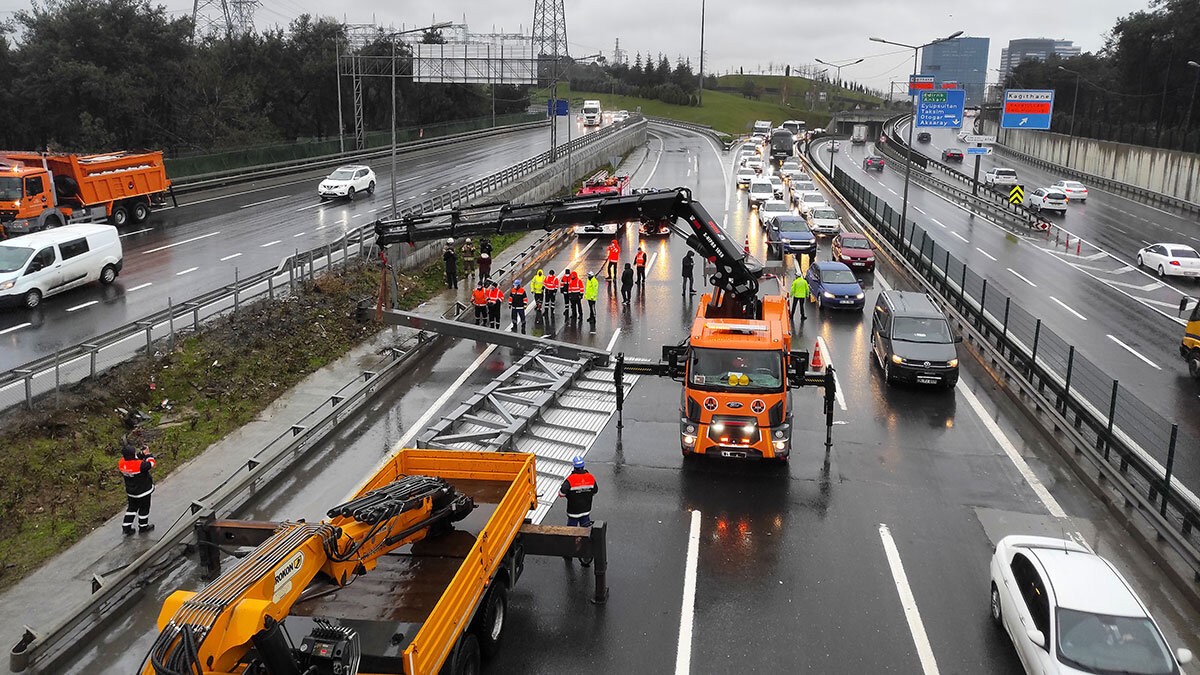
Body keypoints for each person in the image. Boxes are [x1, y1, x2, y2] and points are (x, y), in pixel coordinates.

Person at [558, 456, 598, 566]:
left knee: (571, 532)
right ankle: (586, 553)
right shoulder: (590, 477)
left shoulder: (570, 480)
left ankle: (569, 553)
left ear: (574, 467)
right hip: (586, 511)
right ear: (583, 466)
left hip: (573, 513)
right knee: (585, 531)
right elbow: (595, 491)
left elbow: (561, 494)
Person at [118, 443, 156, 535]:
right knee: (144, 509)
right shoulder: (140, 465)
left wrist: (141, 454)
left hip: (131, 492)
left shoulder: (122, 463)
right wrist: (148, 455)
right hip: (143, 492)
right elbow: (151, 463)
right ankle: (143, 527)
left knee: (131, 509)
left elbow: (133, 459)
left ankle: (126, 527)